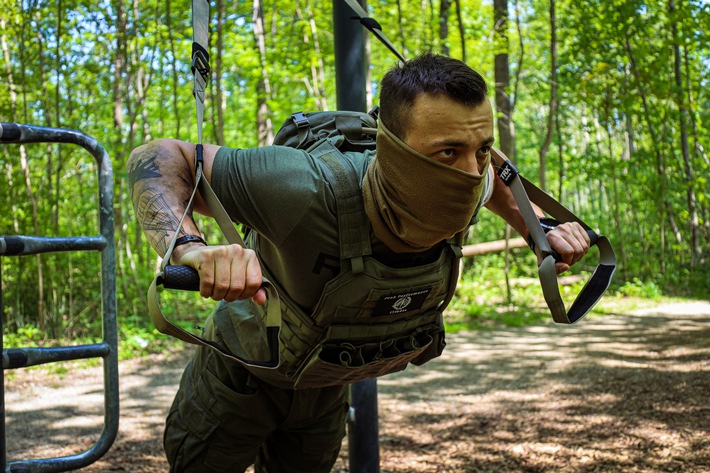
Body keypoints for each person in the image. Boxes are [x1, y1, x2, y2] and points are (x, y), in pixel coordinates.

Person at [128, 53, 590, 473]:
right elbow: (158, 156)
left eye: (481, 150)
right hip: (240, 378)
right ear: (390, 150)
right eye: (448, 152)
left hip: (324, 383)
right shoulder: (299, 189)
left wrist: (537, 228)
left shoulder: (462, 181)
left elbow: (492, 176)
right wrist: (190, 248)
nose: (470, 175)